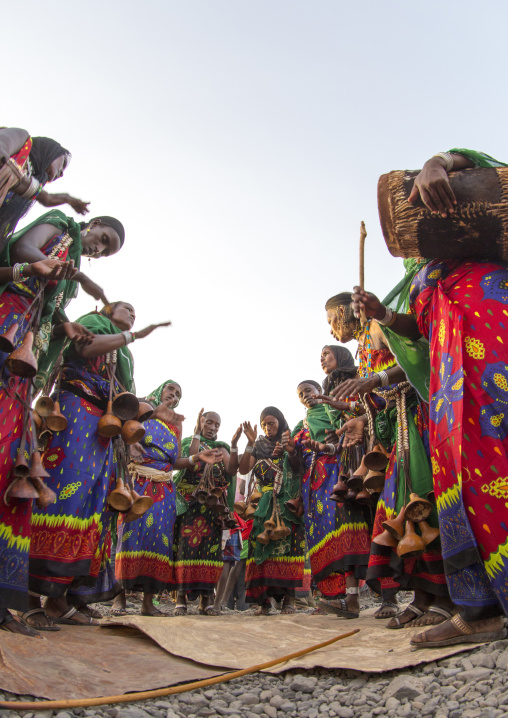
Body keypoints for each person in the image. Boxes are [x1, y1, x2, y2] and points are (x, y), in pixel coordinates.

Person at [350, 147, 508, 647]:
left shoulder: (484, 241)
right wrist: (382, 313)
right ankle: (477, 609)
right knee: (458, 478)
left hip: (496, 354)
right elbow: (419, 332)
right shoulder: (423, 271)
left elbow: (478, 167)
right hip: (447, 386)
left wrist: (440, 162)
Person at [25, 303, 170, 629]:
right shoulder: (95, 322)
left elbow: (123, 395)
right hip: (74, 417)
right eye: (126, 308)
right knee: (64, 496)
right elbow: (82, 347)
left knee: (94, 506)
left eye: (135, 312)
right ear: (107, 309)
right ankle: (31, 596)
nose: (132, 313)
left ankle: (61, 599)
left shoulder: (124, 356)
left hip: (105, 433)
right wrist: (127, 335)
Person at [0, 257, 82, 636]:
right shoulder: (22, 297)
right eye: (99, 242)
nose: (98, 249)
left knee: (11, 488)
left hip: (19, 392)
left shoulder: (48, 317)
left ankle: (8, 605)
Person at [114, 381, 219, 616]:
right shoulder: (142, 409)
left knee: (158, 541)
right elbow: (123, 434)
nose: (174, 394)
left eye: (179, 393)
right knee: (129, 536)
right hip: (137, 482)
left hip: (164, 488)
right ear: (160, 390)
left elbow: (175, 462)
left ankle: (148, 602)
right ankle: (118, 598)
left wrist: (197, 457)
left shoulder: (176, 427)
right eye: (171, 389)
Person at [283, 381, 371, 618]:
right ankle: (331, 598)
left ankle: (351, 595)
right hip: (312, 485)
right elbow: (297, 464)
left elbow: (349, 441)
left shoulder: (335, 411)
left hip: (336, 474)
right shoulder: (300, 427)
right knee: (319, 534)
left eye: (309, 390)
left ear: (318, 391)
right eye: (301, 394)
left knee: (342, 530)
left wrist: (325, 447)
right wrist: (291, 451)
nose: (306, 396)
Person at [239, 408, 305, 616]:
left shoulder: (290, 440)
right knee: (259, 548)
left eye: (272, 423)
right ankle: (263, 602)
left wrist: (289, 450)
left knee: (290, 549)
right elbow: (243, 470)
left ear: (280, 422)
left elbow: (299, 467)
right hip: (262, 507)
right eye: (265, 424)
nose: (268, 427)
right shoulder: (258, 446)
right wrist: (249, 443)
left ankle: (289, 601)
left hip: (287, 505)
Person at [173, 410, 240, 616]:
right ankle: (180, 600)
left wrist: (235, 444)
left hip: (213, 509)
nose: (213, 428)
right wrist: (196, 433)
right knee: (185, 550)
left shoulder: (221, 448)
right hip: (190, 505)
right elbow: (190, 462)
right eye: (209, 422)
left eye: (217, 425)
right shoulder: (188, 442)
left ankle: (206, 601)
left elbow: (230, 470)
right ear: (200, 421)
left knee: (210, 552)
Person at [0, 130, 89, 252]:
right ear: (50, 151)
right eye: (63, 164)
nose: (62, 173)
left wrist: (63, 198)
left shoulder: (28, 187)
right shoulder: (23, 139)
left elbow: (44, 197)